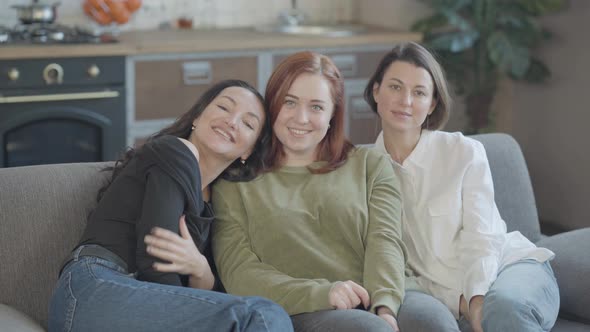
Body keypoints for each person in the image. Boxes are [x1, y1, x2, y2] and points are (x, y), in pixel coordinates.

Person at [48, 79, 293, 332]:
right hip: (95, 289)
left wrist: (201, 270)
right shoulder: (176, 151)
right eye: (224, 108)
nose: (232, 121)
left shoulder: (216, 202)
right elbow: (156, 263)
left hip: (136, 304)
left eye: (248, 123)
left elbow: (206, 298)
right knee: (263, 315)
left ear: (248, 151)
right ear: (198, 116)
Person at [364, 42, 559, 332]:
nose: (405, 100)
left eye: (419, 92)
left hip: (509, 269)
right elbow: (402, 268)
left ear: (431, 104)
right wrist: (461, 304)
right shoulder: (365, 172)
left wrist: (478, 300)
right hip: (452, 296)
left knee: (503, 308)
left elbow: (483, 236)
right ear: (376, 91)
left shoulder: (464, 152)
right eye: (395, 87)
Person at [207, 51, 406, 332]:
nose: (301, 118)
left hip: (387, 294)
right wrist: (323, 293)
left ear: (332, 114)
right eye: (289, 102)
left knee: (433, 323)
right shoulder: (234, 184)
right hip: (304, 307)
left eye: (316, 107)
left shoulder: (370, 164)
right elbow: (239, 274)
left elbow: (385, 240)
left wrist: (385, 307)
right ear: (272, 104)